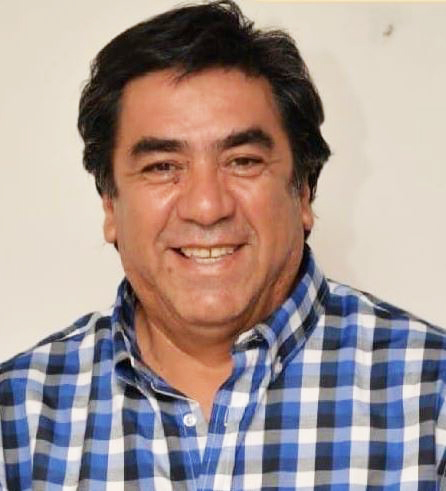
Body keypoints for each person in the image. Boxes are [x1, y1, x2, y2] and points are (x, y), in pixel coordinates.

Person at [1, 1, 445, 489]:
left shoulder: (433, 400)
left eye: (243, 161)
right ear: (110, 204)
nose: (207, 207)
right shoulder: (17, 419)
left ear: (303, 191)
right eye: (162, 167)